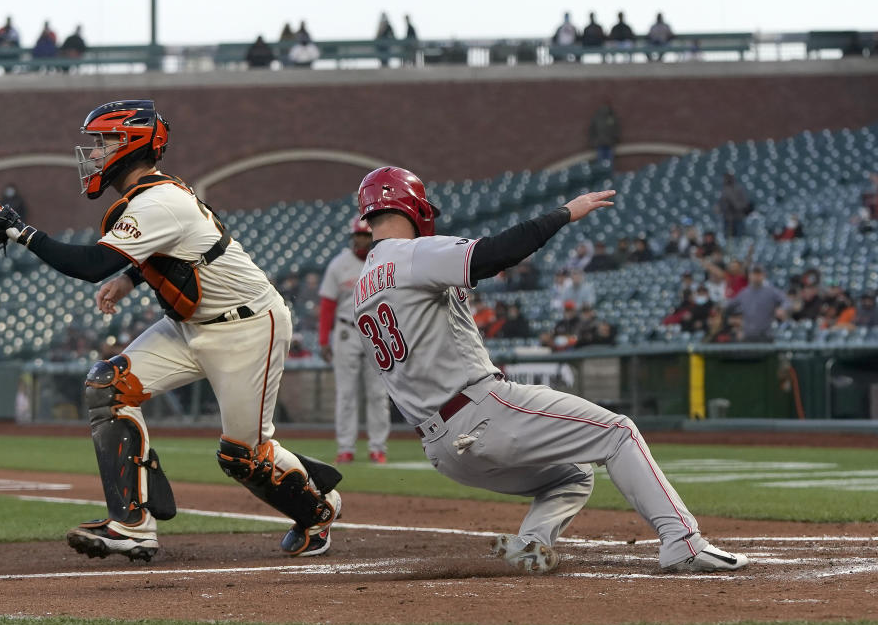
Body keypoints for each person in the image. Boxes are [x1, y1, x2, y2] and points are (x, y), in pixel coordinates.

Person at [0, 100, 342, 561]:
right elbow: (179, 250)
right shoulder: (155, 196)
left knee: (243, 457)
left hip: (247, 327)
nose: (94, 154)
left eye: (104, 142)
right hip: (187, 325)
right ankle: (133, 524)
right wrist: (131, 277)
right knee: (108, 385)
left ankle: (318, 510)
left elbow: (92, 265)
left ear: (132, 143)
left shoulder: (158, 199)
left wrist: (21, 232)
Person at [352, 165, 748, 574]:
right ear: (415, 207)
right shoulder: (411, 253)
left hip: (441, 448)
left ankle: (530, 545)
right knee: (618, 432)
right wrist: (564, 213)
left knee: (574, 475)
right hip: (479, 411)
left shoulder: (362, 286)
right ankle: (683, 540)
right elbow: (493, 254)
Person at [318, 217, 391, 464]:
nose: (361, 240)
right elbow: (327, 305)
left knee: (378, 394)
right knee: (346, 394)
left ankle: (377, 448)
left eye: (365, 236)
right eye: (358, 236)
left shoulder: (382, 261)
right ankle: (346, 447)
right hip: (346, 330)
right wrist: (323, 340)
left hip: (377, 332)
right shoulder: (339, 264)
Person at [725, 265, 787, 342]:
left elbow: (786, 301)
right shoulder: (744, 293)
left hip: (765, 335)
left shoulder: (771, 291)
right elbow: (728, 307)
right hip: (748, 335)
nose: (756, 276)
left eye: (759, 274)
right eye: (754, 274)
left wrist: (782, 308)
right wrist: (736, 327)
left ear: (764, 275)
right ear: (749, 275)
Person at [716, 173, 753, 239]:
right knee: (728, 238)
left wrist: (737, 205)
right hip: (727, 218)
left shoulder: (738, 189)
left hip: (738, 217)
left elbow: (744, 202)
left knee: (740, 237)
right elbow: (721, 203)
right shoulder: (724, 190)